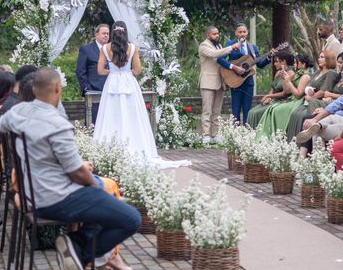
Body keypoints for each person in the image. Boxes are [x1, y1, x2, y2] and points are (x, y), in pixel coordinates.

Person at [0, 68, 140, 270]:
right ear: (57, 89)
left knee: (103, 203)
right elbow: (76, 172)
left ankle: (76, 248)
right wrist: (94, 185)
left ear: (33, 90)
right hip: (58, 198)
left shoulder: (19, 112)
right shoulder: (58, 125)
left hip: (29, 195)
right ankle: (79, 250)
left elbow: (1, 124)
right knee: (131, 218)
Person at [92, 21, 189, 168]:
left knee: (111, 115)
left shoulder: (105, 48)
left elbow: (100, 70)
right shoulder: (132, 48)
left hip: (112, 83)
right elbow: (137, 70)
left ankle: (110, 148)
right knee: (132, 115)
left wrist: (111, 72)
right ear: (125, 32)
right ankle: (136, 146)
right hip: (128, 82)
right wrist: (126, 73)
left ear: (112, 32)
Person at [296, 59, 343, 157]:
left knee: (315, 127)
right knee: (314, 123)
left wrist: (320, 114)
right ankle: (310, 157)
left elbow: (340, 103)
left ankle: (314, 159)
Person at [217, 23, 272, 124]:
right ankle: (235, 134)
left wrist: (269, 57)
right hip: (235, 81)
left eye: (244, 32)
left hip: (248, 82)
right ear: (236, 33)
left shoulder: (252, 47)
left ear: (247, 33)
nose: (242, 34)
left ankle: (247, 133)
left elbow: (259, 64)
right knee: (236, 110)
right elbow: (220, 60)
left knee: (247, 110)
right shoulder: (230, 45)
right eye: (240, 32)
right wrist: (234, 67)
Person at [198, 26, 240, 144]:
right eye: (214, 34)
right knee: (207, 110)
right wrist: (231, 47)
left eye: (217, 34)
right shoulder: (203, 46)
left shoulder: (219, 46)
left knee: (217, 111)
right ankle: (206, 135)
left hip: (219, 82)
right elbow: (214, 54)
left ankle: (215, 135)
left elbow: (222, 60)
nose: (217, 36)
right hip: (207, 82)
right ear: (208, 35)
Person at [256, 53, 312, 139]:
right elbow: (287, 90)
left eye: (296, 63)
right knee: (272, 108)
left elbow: (298, 94)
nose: (294, 65)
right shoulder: (296, 74)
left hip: (297, 101)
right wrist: (284, 79)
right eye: (294, 62)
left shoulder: (305, 76)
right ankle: (268, 135)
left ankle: (278, 136)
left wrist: (289, 81)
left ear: (303, 64)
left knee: (275, 109)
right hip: (291, 99)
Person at [285, 50, 338, 140]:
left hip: (319, 101)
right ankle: (293, 142)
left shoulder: (331, 73)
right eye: (319, 57)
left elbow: (323, 91)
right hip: (308, 99)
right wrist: (309, 91)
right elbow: (309, 86)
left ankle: (307, 140)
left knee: (302, 116)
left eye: (322, 57)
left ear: (329, 59)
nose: (319, 59)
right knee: (294, 114)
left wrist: (311, 97)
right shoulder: (317, 72)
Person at [247, 50, 294, 129]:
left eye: (276, 62)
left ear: (283, 62)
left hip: (282, 101)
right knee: (252, 112)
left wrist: (269, 96)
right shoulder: (277, 73)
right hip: (273, 99)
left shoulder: (291, 74)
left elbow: (285, 93)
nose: (275, 64)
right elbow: (273, 88)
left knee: (257, 113)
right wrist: (268, 98)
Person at [76, 24, 110, 123]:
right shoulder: (86, 49)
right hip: (94, 92)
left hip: (110, 91)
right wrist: (87, 88)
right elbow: (80, 71)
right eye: (104, 33)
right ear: (97, 35)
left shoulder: (111, 49)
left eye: (108, 34)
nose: (106, 36)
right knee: (94, 124)